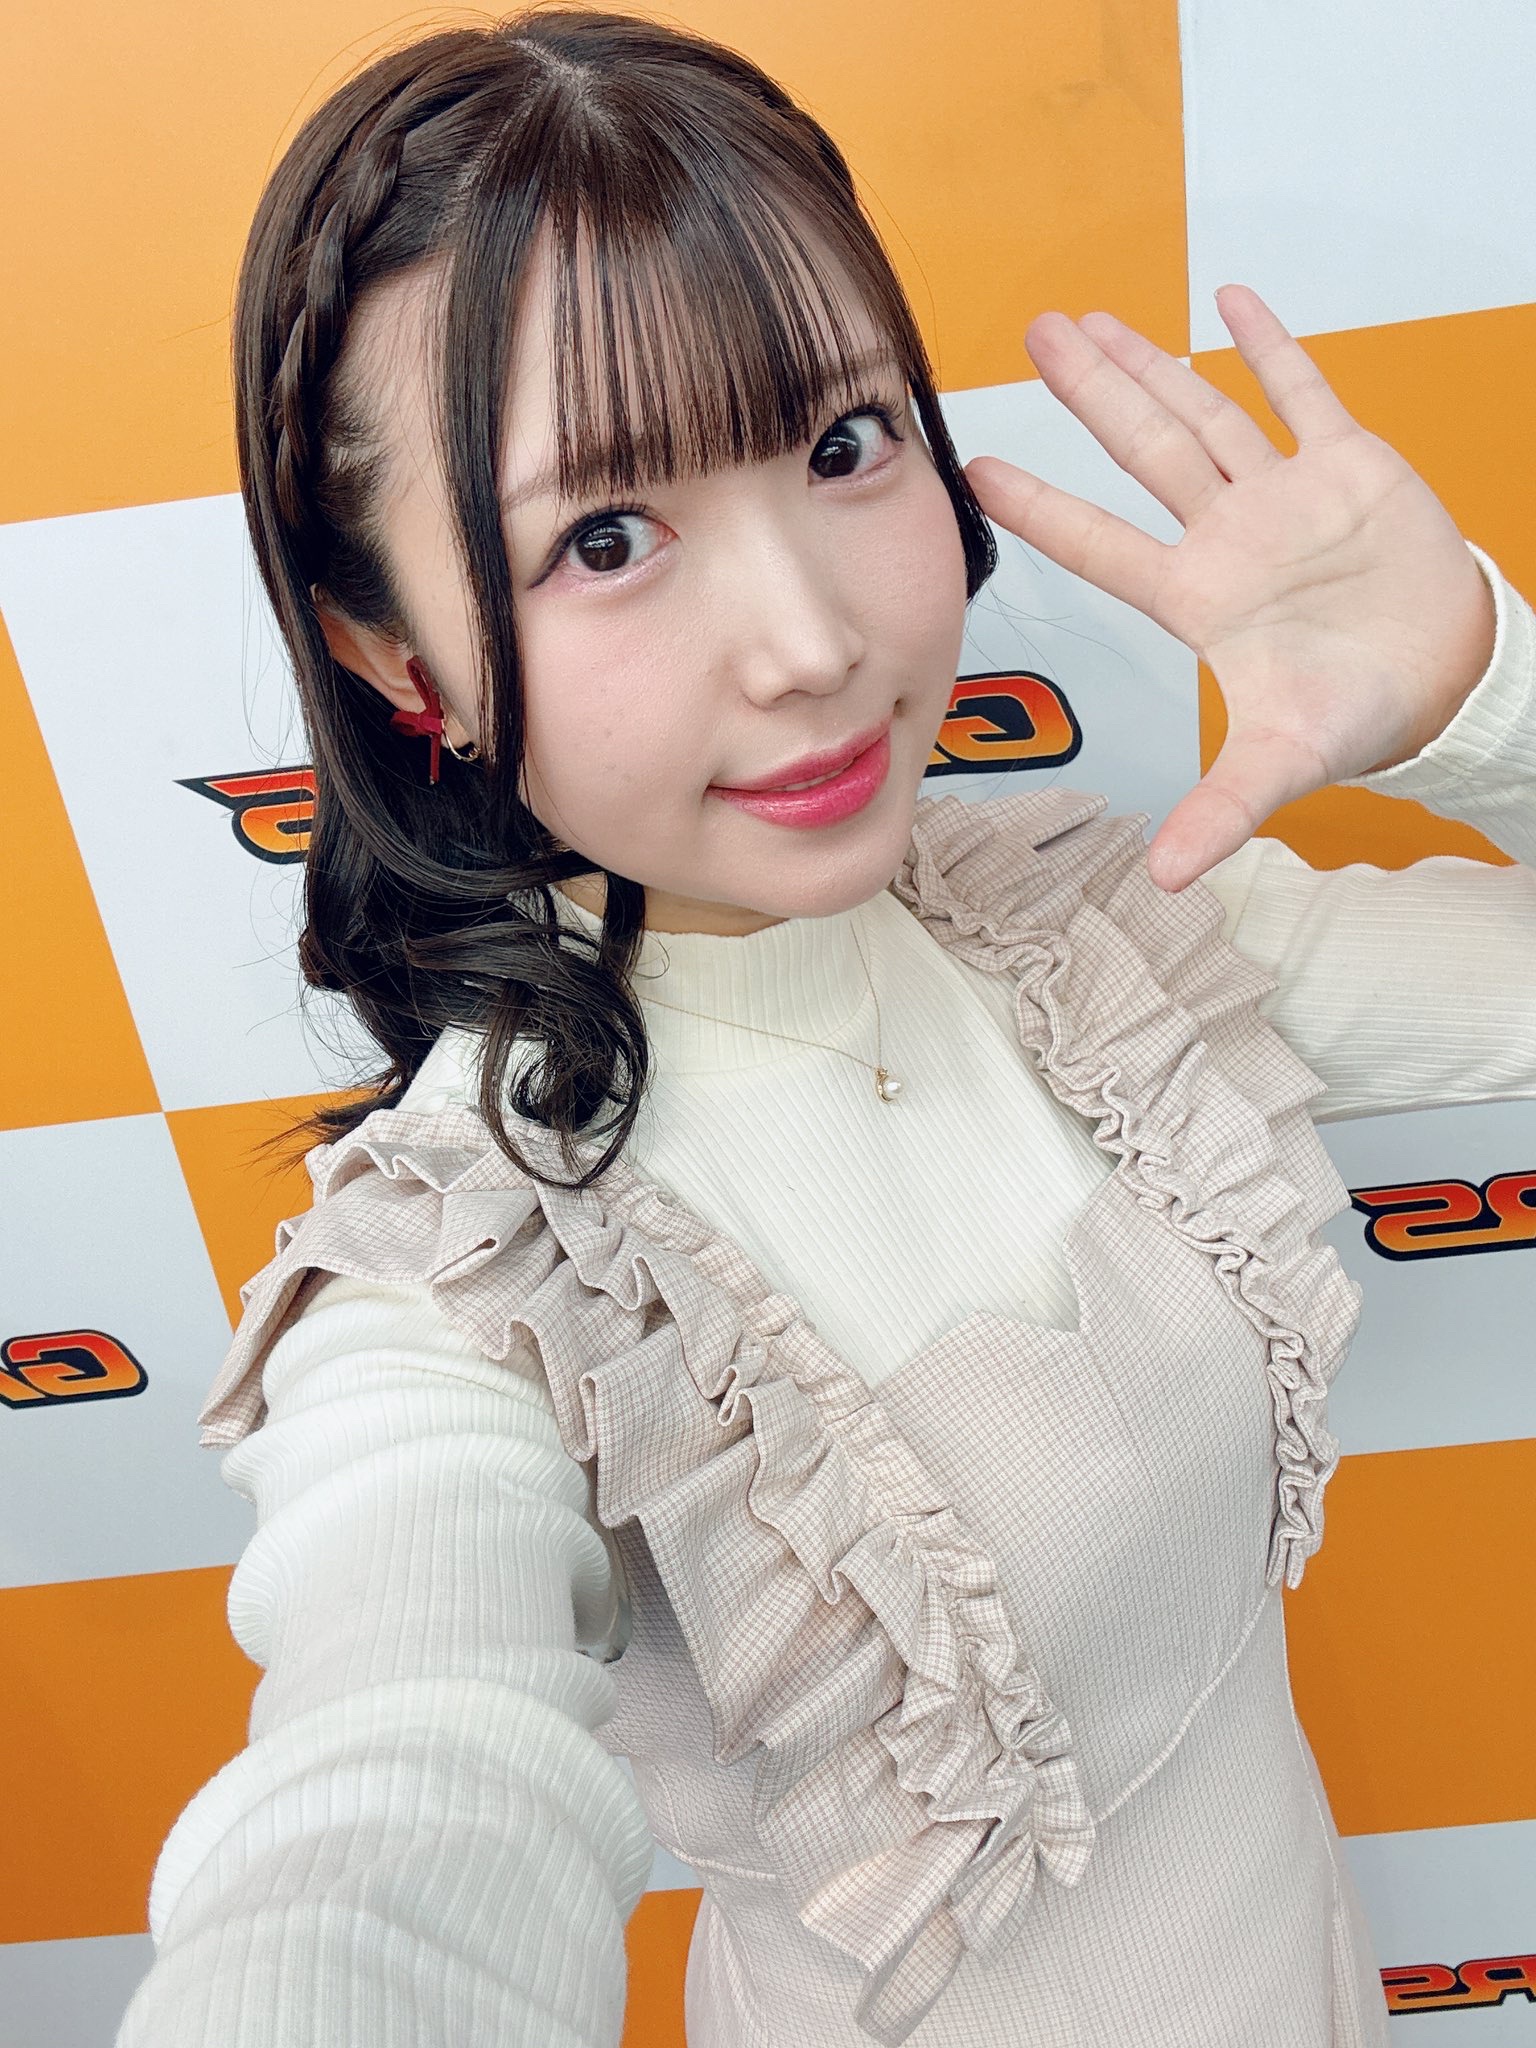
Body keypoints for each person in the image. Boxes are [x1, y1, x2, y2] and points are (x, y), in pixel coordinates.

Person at [116, 10, 1536, 2047]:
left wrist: (1480, 688)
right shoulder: (471, 1289)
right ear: (397, 656)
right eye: (605, 539)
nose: (812, 642)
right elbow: (389, 1814)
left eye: (845, 444)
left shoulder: (1100, 948)